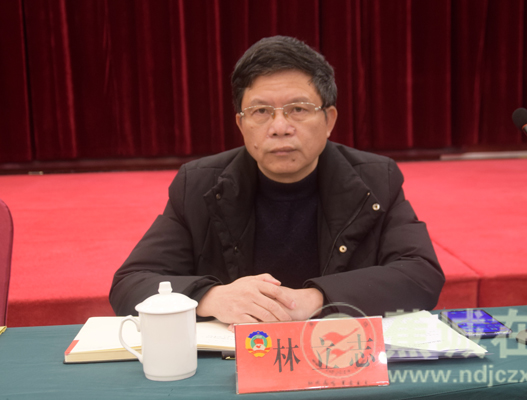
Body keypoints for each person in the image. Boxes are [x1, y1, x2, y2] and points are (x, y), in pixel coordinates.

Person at [109, 36, 444, 324]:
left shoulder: (376, 179)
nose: (280, 127)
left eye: (298, 109)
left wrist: (316, 299)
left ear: (329, 120)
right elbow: (131, 283)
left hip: (337, 355)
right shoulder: (197, 186)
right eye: (261, 112)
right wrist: (210, 297)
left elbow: (421, 274)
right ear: (241, 125)